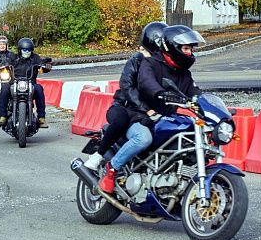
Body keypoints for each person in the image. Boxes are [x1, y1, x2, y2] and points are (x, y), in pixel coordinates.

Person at [98, 23, 206, 196]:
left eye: (191, 49)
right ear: (173, 47)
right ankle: (112, 170)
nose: (189, 53)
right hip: (136, 113)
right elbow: (146, 83)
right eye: (186, 48)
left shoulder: (184, 74)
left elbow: (196, 93)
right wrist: (161, 93)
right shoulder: (149, 64)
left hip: (161, 116)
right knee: (143, 138)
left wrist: (209, 106)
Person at [84, 24, 168, 171]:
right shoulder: (136, 61)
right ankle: (98, 155)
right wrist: (146, 109)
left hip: (141, 114)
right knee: (121, 120)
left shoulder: (163, 65)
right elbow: (127, 86)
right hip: (124, 106)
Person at [0, 38, 51, 128]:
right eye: (24, 49)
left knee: (39, 88)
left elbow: (42, 65)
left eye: (29, 50)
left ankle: (41, 118)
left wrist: (46, 66)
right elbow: (5, 63)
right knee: (4, 88)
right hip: (14, 83)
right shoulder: (14, 57)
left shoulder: (35, 58)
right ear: (20, 50)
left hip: (30, 83)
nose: (27, 51)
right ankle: (3, 116)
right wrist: (0, 66)